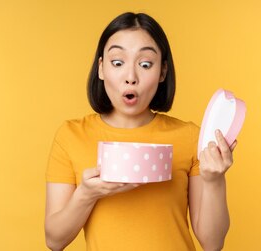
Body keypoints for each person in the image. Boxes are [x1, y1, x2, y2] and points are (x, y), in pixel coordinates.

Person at [44, 12, 237, 251]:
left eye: (145, 64)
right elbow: (54, 240)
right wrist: (86, 194)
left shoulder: (189, 137)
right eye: (117, 63)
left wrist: (214, 180)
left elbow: (213, 243)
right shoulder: (71, 136)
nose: (131, 77)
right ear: (101, 69)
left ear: (163, 72)